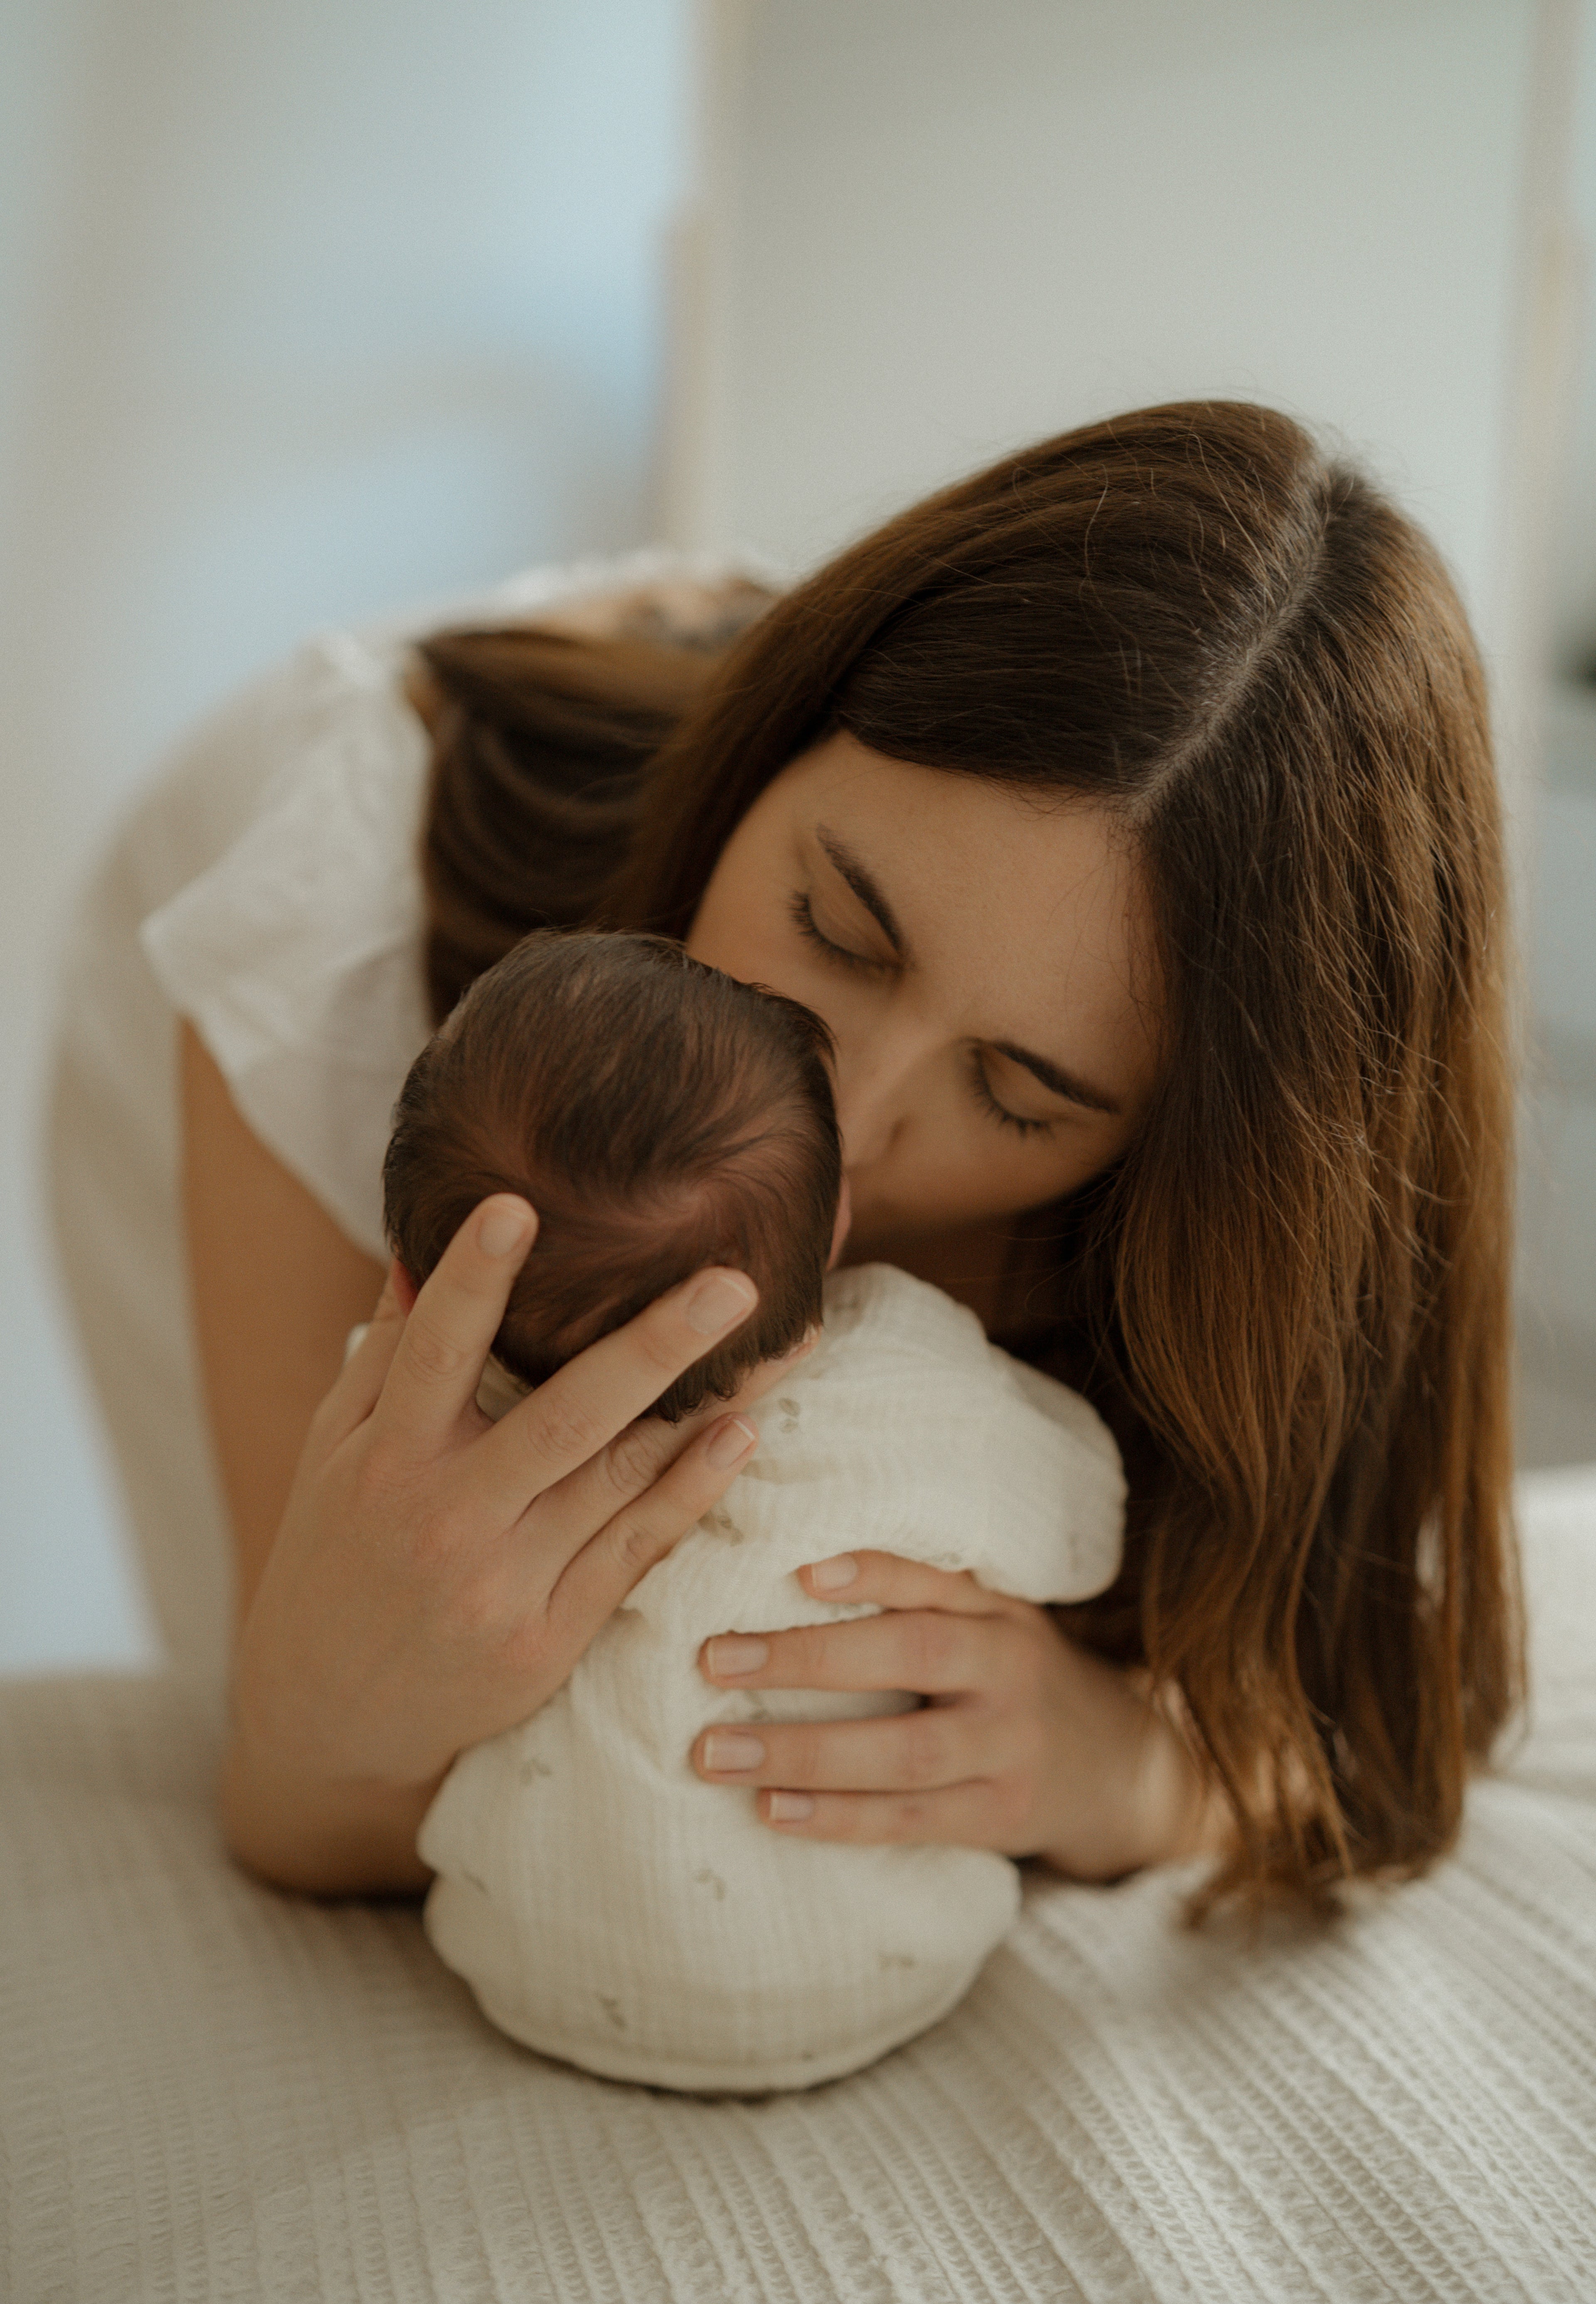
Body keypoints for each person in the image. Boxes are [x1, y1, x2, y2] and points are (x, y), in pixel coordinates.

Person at [56, 397, 1520, 1931]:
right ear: (776, 756)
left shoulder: (1262, 1204)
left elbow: (1368, 1735)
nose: (852, 1120)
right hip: (420, 823)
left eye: (1020, 1097)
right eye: (836, 930)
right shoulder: (339, 917)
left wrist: (1124, 1770)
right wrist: (326, 1698)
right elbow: (303, 1785)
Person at [377, 925, 1124, 2090]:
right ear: (827, 1230)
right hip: (875, 1962)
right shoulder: (899, 1380)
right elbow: (1085, 1524)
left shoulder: (441, 1437)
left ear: (422, 1278)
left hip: (521, 1959)